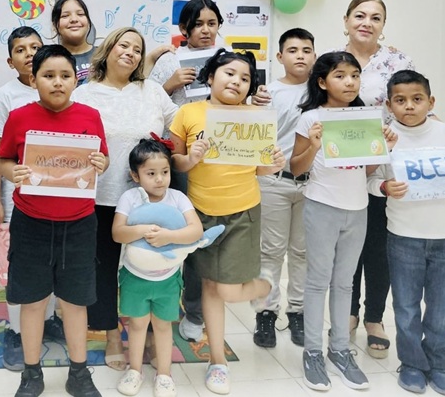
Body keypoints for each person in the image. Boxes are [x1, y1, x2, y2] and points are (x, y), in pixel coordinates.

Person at [334, 0, 445, 359]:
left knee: (380, 247)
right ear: (346, 20)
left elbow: (416, 102)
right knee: (347, 245)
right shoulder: (331, 59)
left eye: (375, 17)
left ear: (383, 24)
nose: (367, 22)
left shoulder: (397, 60)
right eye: (360, 15)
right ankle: (347, 312)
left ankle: (374, 318)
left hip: (388, 164)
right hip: (342, 164)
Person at [169, 49, 284, 395]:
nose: (237, 81)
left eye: (245, 78)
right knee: (209, 287)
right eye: (229, 73)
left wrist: (274, 164)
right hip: (201, 214)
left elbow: (262, 168)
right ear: (210, 77)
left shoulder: (256, 118)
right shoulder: (188, 113)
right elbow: (175, 163)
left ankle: (263, 287)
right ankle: (217, 362)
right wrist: (191, 158)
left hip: (243, 212)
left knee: (228, 290)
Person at [0, 45, 109, 397]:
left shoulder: (90, 116)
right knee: (33, 302)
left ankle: (79, 373)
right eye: (48, 75)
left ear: (75, 80)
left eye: (65, 75)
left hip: (79, 225)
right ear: (34, 80)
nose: (57, 82)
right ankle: (31, 373)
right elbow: (3, 159)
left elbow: (102, 158)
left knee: (75, 302)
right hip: (31, 224)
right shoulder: (19, 117)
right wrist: (12, 172)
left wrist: (102, 163)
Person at [368, 70, 445, 395]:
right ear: (389, 105)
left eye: (417, 99)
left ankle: (438, 364)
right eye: (400, 100)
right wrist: (385, 187)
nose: (409, 106)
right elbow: (371, 181)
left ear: (431, 102)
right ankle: (412, 364)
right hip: (403, 236)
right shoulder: (385, 137)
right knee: (406, 307)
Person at [73, 27, 178, 371]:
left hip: (149, 200)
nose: (130, 53)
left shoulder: (153, 91)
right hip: (100, 197)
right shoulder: (84, 94)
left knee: (149, 268)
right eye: (124, 45)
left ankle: (149, 333)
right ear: (108, 49)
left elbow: (181, 126)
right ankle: (111, 336)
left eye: (137, 49)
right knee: (102, 269)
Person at [290, 51, 396, 392]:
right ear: (322, 82)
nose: (350, 82)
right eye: (340, 75)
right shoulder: (311, 118)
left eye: (354, 75)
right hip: (322, 206)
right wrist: (314, 146)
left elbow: (365, 169)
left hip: (358, 207)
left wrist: (384, 148)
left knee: (345, 283)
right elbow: (296, 168)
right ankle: (312, 352)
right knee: (317, 281)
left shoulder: (364, 117)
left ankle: (339, 350)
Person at [0, 27, 65, 372]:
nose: (29, 53)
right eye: (20, 49)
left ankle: (49, 318)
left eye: (35, 47)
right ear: (10, 61)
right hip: (18, 198)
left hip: (57, 195)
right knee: (21, 265)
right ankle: (15, 331)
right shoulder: (6, 96)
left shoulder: (61, 90)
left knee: (53, 259)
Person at [148, 0, 224, 344]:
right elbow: (149, 104)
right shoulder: (169, 61)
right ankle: (161, 303)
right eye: (198, 24)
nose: (206, 30)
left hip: (217, 161)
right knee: (169, 231)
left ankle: (194, 310)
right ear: (184, 29)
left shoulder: (227, 58)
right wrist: (170, 85)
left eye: (212, 23)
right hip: (177, 161)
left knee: (201, 237)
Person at [112, 138, 202, 397]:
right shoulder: (130, 198)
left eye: (165, 172)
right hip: (135, 277)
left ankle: (164, 374)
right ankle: (134, 370)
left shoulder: (177, 198)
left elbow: (196, 230)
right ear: (135, 175)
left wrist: (168, 237)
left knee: (163, 326)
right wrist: (142, 230)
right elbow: (118, 233)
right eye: (151, 174)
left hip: (168, 279)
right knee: (137, 325)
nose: (160, 179)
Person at [250, 28, 316, 349]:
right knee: (270, 251)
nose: (300, 56)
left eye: (306, 50)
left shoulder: (321, 91)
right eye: (292, 50)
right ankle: (265, 313)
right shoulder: (268, 94)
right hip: (273, 182)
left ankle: (298, 312)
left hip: (312, 184)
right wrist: (253, 101)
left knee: (302, 252)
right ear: (279, 57)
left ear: (315, 55)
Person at [51, 0, 96, 85]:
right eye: (65, 16)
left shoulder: (104, 55)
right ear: (55, 26)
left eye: (80, 14)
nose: (74, 19)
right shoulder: (49, 60)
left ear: (88, 22)